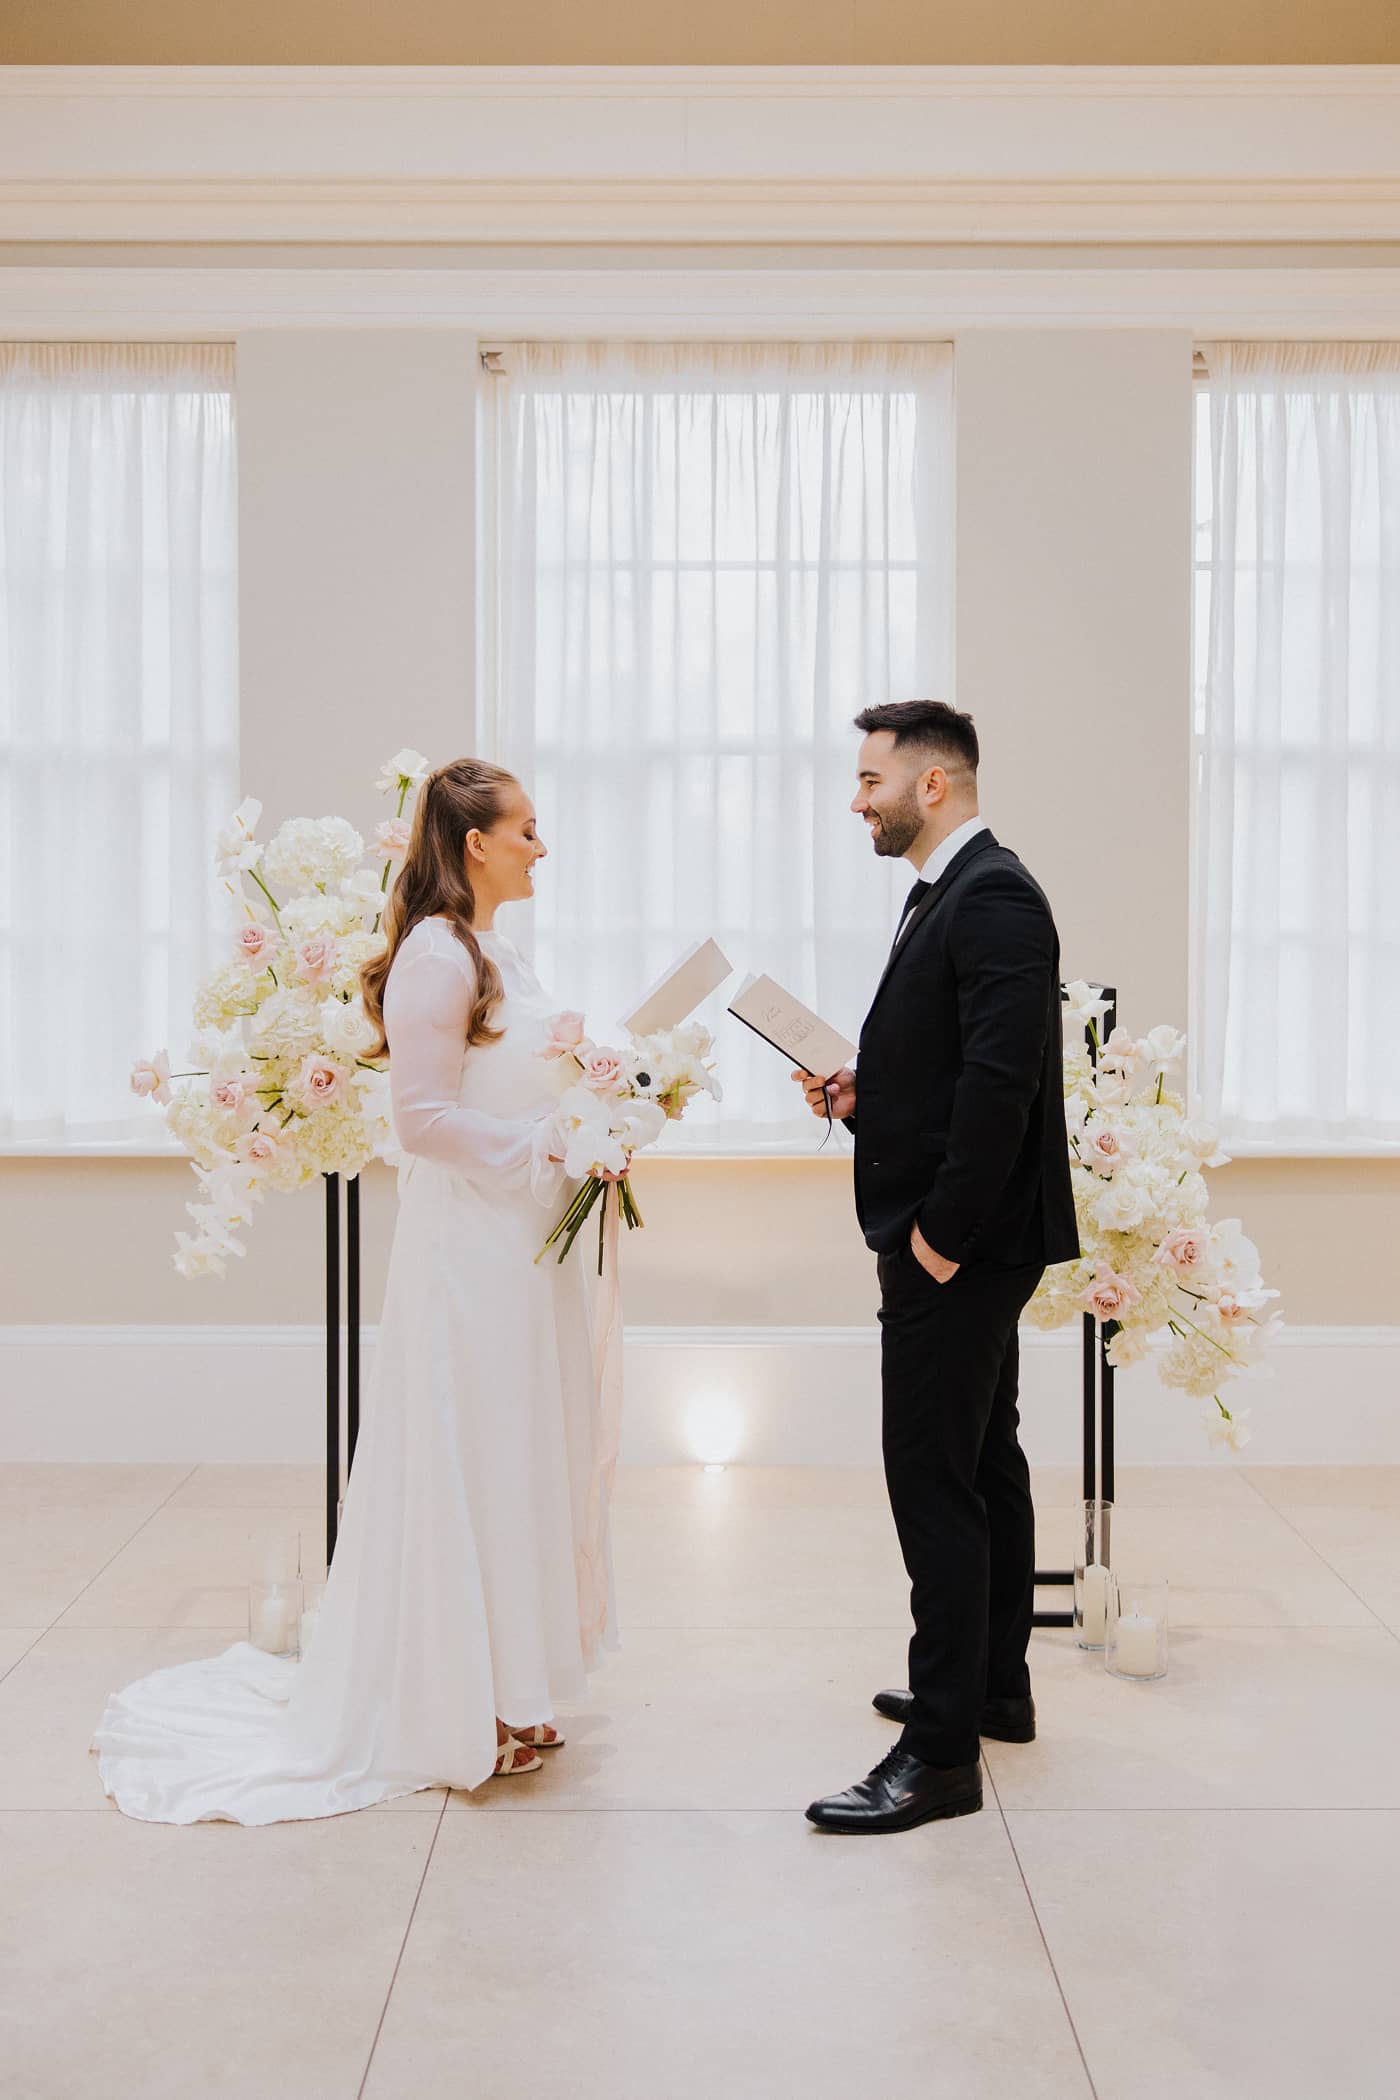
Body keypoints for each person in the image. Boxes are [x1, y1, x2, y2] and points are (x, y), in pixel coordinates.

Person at [94, 759, 619, 1822]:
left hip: (518, 1247)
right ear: (475, 843)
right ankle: (457, 1699)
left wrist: (604, 1102)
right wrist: (551, 1141)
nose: (540, 846)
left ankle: (514, 1685)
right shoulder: (434, 955)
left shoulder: (495, 947)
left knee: (516, 1451)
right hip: (469, 1253)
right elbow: (419, 1121)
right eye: (527, 830)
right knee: (471, 1451)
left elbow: (511, 1076)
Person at [796, 701, 1077, 1836]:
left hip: (958, 1246)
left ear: (933, 785)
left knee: (930, 1479)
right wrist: (870, 1093)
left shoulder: (992, 895)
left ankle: (939, 1752)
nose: (855, 799)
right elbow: (954, 1063)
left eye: (870, 780)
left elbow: (1002, 1089)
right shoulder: (949, 895)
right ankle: (990, 1686)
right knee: (981, 1462)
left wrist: (939, 1239)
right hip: (965, 1237)